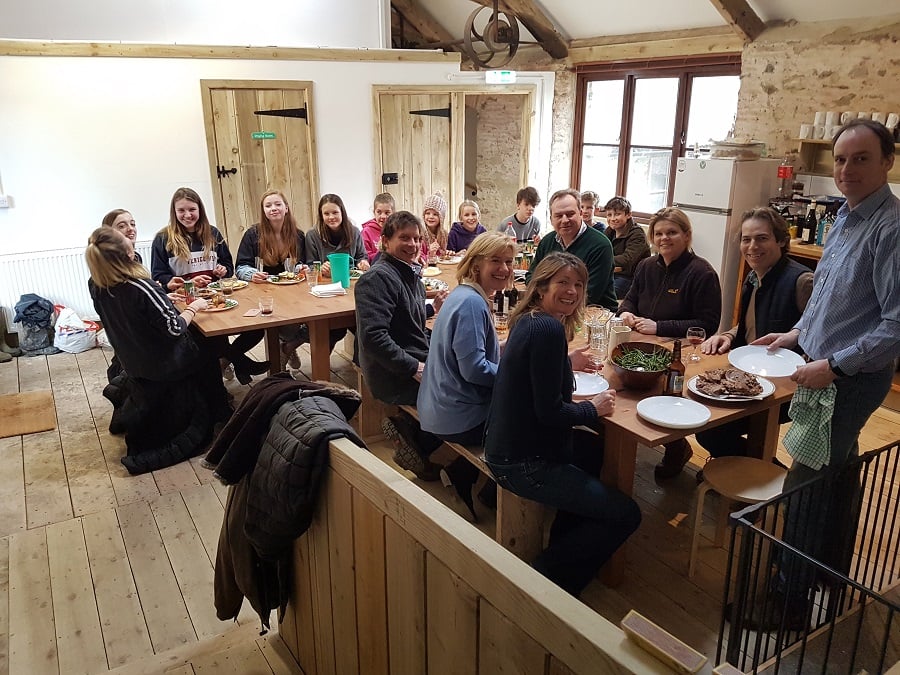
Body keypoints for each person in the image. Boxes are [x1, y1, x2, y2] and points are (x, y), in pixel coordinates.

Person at [751, 119, 899, 628]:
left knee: (805, 485)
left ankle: (788, 600)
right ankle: (830, 573)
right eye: (840, 159)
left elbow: (895, 325)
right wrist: (793, 336)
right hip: (820, 365)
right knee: (838, 475)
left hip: (847, 380)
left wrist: (833, 365)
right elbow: (829, 302)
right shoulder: (845, 219)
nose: (846, 169)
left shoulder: (892, 228)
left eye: (861, 158)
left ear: (887, 162)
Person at [484, 252, 641, 596]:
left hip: (508, 446)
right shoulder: (548, 329)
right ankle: (548, 582)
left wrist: (567, 363)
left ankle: (561, 543)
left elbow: (537, 383)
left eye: (579, 285)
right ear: (541, 287)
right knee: (627, 514)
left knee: (594, 452)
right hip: (522, 462)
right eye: (563, 283)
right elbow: (551, 413)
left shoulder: (529, 320)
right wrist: (593, 410)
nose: (572, 291)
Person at [86, 227, 230, 474]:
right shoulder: (140, 287)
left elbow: (137, 317)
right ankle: (219, 412)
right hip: (166, 364)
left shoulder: (97, 285)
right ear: (129, 255)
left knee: (205, 342)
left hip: (134, 362)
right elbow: (174, 328)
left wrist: (165, 297)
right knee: (210, 345)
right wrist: (193, 306)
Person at [695, 208, 813, 481]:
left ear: (782, 241)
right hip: (751, 376)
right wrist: (727, 334)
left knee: (713, 428)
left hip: (786, 388)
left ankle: (770, 477)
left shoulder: (802, 281)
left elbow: (816, 334)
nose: (752, 247)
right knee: (708, 419)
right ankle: (741, 468)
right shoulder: (753, 276)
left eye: (761, 238)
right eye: (746, 239)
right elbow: (751, 325)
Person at [618, 206, 721, 480]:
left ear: (687, 236)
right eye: (659, 233)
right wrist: (626, 312)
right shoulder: (646, 266)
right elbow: (630, 298)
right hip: (642, 345)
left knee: (665, 395)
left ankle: (676, 446)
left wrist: (659, 326)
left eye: (672, 232)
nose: (664, 238)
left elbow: (707, 325)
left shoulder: (702, 273)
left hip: (682, 352)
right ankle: (620, 442)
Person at [417, 233, 515, 519]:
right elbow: (474, 369)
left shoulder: (463, 295)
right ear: (475, 264)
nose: (504, 268)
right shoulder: (473, 304)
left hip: (437, 407)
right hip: (454, 418)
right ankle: (490, 493)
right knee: (529, 419)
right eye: (495, 261)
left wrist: (516, 349)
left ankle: (462, 475)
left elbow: (475, 351)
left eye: (508, 262)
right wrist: (516, 377)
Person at [355, 211, 449, 481]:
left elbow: (405, 317)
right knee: (467, 393)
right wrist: (414, 367)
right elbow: (374, 337)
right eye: (404, 238)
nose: (413, 244)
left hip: (411, 362)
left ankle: (416, 437)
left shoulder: (407, 273)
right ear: (385, 241)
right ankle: (430, 449)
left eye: (417, 238)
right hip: (393, 376)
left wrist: (431, 309)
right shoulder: (377, 278)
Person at [152, 187, 267, 385]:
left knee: (257, 328)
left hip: (217, 299)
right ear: (174, 212)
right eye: (181, 211)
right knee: (211, 337)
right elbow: (159, 276)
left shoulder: (212, 233)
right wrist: (182, 283)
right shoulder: (163, 239)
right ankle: (241, 363)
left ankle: (229, 360)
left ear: (200, 210)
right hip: (186, 303)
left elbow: (229, 267)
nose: (187, 215)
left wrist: (221, 271)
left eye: (192, 210)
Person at [235, 189, 309, 371]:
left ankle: (286, 347)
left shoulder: (298, 235)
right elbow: (240, 267)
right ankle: (284, 352)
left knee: (297, 319)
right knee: (267, 323)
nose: (273, 208)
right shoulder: (253, 234)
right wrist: (251, 274)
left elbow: (301, 263)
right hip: (261, 291)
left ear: (286, 208)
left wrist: (302, 269)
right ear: (263, 211)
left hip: (290, 290)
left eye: (277, 204)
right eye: (268, 205)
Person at [527, 189, 618, 311]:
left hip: (594, 315)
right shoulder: (547, 241)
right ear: (551, 218)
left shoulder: (601, 245)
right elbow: (532, 277)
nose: (565, 220)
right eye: (558, 215)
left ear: (580, 213)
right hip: (550, 308)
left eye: (570, 214)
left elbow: (590, 293)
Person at [304, 193, 369, 277]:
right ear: (321, 216)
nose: (331, 217)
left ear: (342, 212)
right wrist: (320, 268)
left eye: (335, 212)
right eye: (326, 214)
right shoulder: (312, 235)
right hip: (324, 281)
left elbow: (362, 256)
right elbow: (310, 265)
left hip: (349, 278)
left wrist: (363, 263)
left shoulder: (354, 232)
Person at [602, 196, 650, 299]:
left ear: (628, 215)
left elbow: (627, 259)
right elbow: (599, 249)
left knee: (607, 294)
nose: (612, 218)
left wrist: (603, 260)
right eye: (609, 215)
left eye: (617, 214)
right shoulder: (610, 230)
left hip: (630, 277)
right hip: (611, 272)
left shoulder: (637, 234)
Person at [360, 193, 395, 263]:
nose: (383, 216)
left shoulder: (397, 231)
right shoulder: (366, 232)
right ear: (374, 212)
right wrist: (384, 254)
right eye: (379, 212)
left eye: (387, 213)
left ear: (393, 213)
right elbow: (365, 256)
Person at [420, 192, 449, 263]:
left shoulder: (444, 235)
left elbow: (442, 255)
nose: (431, 217)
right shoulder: (420, 234)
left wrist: (447, 253)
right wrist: (430, 253)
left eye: (435, 214)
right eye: (427, 213)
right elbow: (418, 259)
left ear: (441, 217)